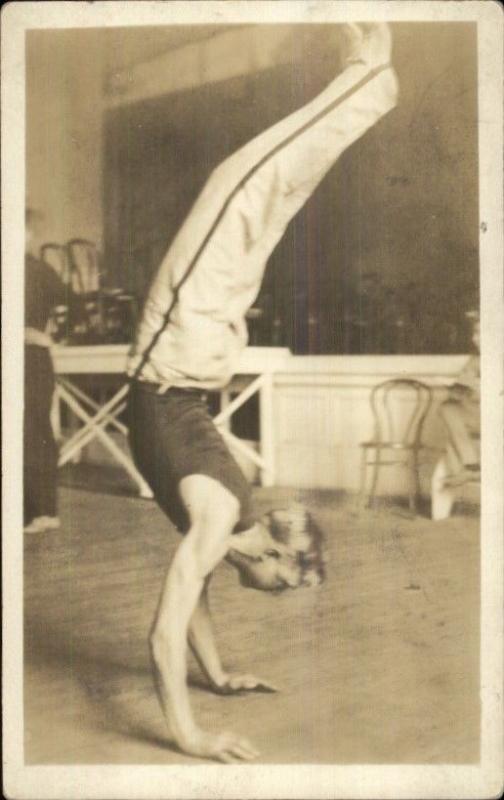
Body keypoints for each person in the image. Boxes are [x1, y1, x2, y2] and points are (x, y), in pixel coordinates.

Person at [127, 23, 398, 763]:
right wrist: (199, 717)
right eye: (294, 574)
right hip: (192, 351)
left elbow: (177, 620)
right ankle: (368, 78)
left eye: (291, 576)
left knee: (254, 191)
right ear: (271, 562)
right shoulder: (221, 522)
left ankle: (368, 79)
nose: (285, 584)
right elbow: (177, 623)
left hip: (187, 351)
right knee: (258, 193)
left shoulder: (219, 526)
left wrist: (206, 703)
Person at [24, 208, 68, 533]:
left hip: (32, 360)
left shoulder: (38, 271)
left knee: (34, 428)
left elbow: (75, 308)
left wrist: (50, 337)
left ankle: (44, 511)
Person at [439, 311, 480, 482]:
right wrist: (454, 389)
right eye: (474, 333)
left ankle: (470, 467)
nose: (474, 338)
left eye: (479, 333)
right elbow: (460, 389)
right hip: (479, 416)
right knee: (448, 407)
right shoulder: (475, 360)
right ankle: (471, 466)